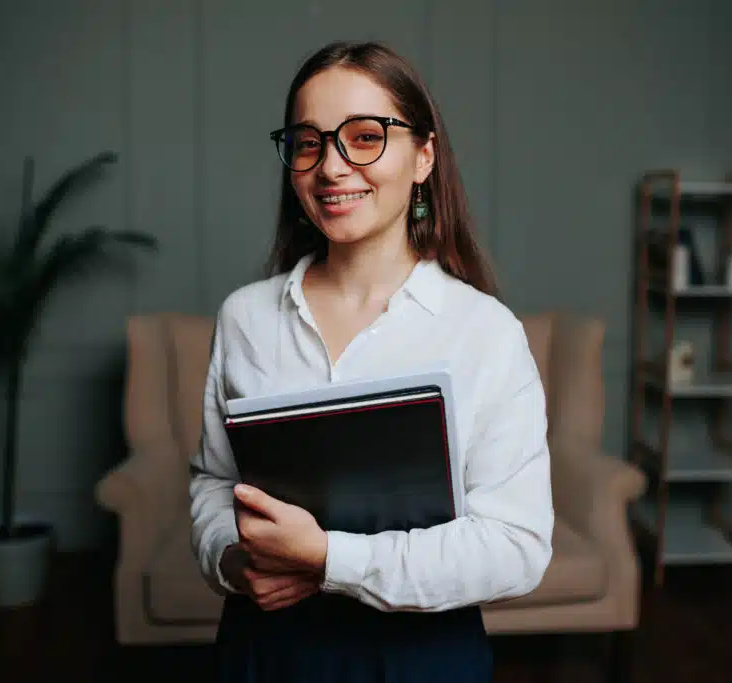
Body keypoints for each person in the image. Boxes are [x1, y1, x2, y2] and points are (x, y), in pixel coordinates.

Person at [189, 40, 554, 683]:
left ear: (424, 156)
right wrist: (232, 562)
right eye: (309, 142)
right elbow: (214, 484)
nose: (332, 167)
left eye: (364, 137)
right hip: (264, 650)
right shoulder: (244, 318)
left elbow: (517, 549)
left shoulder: (486, 333)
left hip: (422, 658)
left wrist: (329, 558)